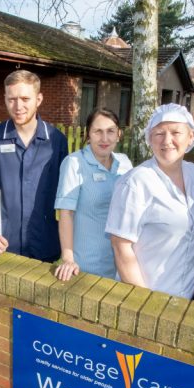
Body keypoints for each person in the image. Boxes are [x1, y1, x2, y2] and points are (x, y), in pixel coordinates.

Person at [105, 103, 194, 298]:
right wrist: (147, 302)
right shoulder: (135, 183)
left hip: (193, 297)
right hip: (150, 297)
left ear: (190, 137)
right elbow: (121, 247)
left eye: (175, 132)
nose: (167, 140)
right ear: (150, 139)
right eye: (159, 133)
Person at [0, 69, 69, 262]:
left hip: (44, 244)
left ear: (38, 99)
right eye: (12, 99)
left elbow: (66, 197)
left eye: (25, 99)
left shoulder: (57, 141)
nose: (18, 106)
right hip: (1, 245)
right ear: (5, 99)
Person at [54, 108, 133, 281]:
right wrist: (68, 259)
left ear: (118, 134)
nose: (105, 138)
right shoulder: (74, 163)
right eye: (98, 131)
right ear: (88, 134)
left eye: (110, 131)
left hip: (121, 265)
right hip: (87, 267)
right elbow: (66, 213)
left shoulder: (125, 163)